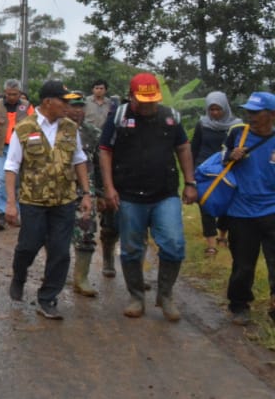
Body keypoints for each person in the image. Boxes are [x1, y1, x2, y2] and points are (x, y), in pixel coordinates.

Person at [99, 73, 196, 321]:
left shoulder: (170, 118)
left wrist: (190, 182)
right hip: (129, 195)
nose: (148, 106)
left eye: (152, 100)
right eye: (143, 101)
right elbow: (105, 151)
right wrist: (109, 188)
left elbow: (183, 148)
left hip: (165, 194)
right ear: (131, 97)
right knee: (131, 249)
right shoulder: (119, 118)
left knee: (174, 245)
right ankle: (136, 297)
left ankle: (165, 295)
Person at [4, 81, 91, 320]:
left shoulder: (70, 128)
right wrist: (10, 203)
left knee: (60, 252)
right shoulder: (24, 128)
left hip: (64, 201)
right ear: (47, 102)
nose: (68, 106)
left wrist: (86, 193)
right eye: (63, 101)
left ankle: (47, 297)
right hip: (34, 201)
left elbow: (79, 159)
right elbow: (11, 166)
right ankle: (19, 276)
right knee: (28, 246)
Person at [220, 92, 275, 326]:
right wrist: (231, 156)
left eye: (256, 112)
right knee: (243, 264)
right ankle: (239, 305)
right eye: (248, 111)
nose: (250, 116)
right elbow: (220, 159)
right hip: (241, 211)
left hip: (272, 210)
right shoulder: (237, 133)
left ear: (271, 115)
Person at [64, 90, 117, 294]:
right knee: (54, 235)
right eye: (72, 106)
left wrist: (102, 192)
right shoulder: (55, 131)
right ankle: (54, 273)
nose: (77, 111)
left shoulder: (93, 133)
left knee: (86, 233)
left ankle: (81, 278)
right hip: (58, 192)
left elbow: (100, 163)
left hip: (85, 192)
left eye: (80, 106)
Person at [191, 91, 242, 254]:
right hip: (205, 170)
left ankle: (222, 235)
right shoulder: (203, 124)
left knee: (226, 203)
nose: (214, 113)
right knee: (205, 204)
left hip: (227, 168)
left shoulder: (236, 126)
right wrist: (191, 172)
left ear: (225, 108)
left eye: (218, 109)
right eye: (211, 109)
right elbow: (194, 147)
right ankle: (211, 243)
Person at [0, 79, 34, 230]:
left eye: (15, 94)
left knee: (18, 181)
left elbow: (36, 125)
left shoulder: (27, 107)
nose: (12, 97)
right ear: (5, 93)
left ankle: (14, 212)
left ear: (20, 93)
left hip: (21, 149)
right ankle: (0, 212)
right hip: (1, 148)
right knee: (1, 179)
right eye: (9, 94)